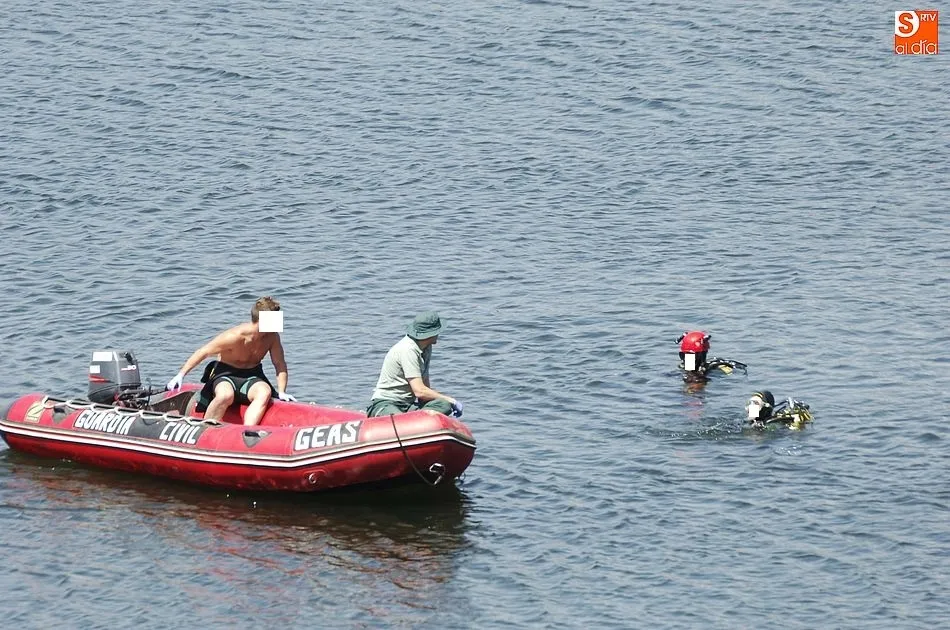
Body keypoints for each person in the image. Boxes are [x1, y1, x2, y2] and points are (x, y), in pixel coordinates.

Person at [166, 296, 294, 426]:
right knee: (225, 395)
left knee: (264, 392)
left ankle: (247, 432)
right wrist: (181, 375)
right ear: (261, 319)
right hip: (226, 374)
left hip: (252, 376)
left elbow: (279, 364)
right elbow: (204, 352)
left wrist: (282, 391)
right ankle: (205, 428)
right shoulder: (234, 336)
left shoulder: (272, 337)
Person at [366, 312, 462, 418]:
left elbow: (425, 388)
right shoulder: (408, 350)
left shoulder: (426, 348)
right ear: (431, 333)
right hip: (387, 403)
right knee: (399, 419)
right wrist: (451, 400)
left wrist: (443, 403)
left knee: (444, 405)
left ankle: (417, 423)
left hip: (408, 405)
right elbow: (420, 391)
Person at [676, 331, 747, 383]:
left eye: (691, 356)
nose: (688, 359)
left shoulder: (718, 368)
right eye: (686, 356)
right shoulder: (719, 368)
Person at [745, 390, 813, 428]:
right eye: (750, 403)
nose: (750, 407)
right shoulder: (750, 422)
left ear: (765, 408)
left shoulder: (776, 423)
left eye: (755, 403)